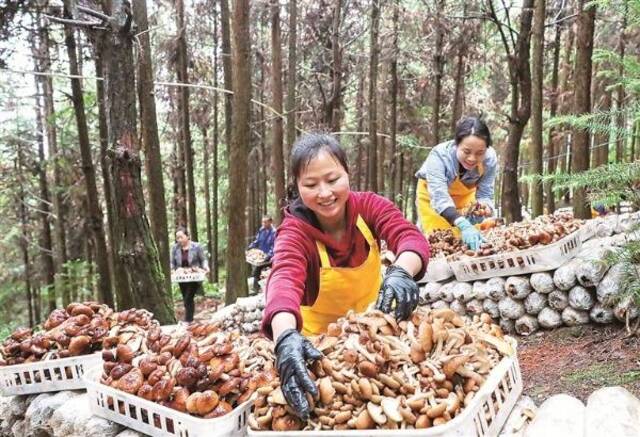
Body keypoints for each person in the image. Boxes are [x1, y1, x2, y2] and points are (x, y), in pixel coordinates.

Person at [261, 133, 430, 419]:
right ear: (298, 187)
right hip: (320, 351)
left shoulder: (369, 207)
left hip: (377, 336)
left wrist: (401, 271)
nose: (324, 193)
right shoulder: (294, 233)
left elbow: (409, 237)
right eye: (311, 185)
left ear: (347, 174)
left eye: (332, 179)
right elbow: (283, 281)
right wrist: (286, 336)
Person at [415, 116, 498, 250]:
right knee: (439, 241)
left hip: (465, 199)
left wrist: (485, 207)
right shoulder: (439, 156)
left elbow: (485, 193)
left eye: (479, 153)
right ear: (456, 144)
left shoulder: (490, 159)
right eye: (466, 151)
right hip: (433, 200)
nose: (472, 158)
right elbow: (440, 198)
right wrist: (463, 223)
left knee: (468, 244)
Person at [170, 227, 209, 322]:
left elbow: (203, 259)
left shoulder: (197, 246)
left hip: (194, 275)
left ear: (187, 236)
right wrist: (172, 269)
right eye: (177, 238)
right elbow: (172, 262)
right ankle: (190, 320)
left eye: (181, 237)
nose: (179, 240)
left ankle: (187, 320)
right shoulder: (175, 248)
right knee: (186, 298)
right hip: (181, 276)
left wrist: (205, 267)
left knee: (188, 297)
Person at [247, 215, 277, 293]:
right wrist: (250, 247)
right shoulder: (261, 231)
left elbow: (274, 246)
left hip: (270, 258)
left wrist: (269, 255)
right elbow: (257, 241)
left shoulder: (274, 233)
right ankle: (256, 290)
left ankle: (272, 290)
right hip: (261, 257)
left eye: (265, 222)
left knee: (271, 273)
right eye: (263, 222)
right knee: (256, 272)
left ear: (270, 222)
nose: (264, 224)